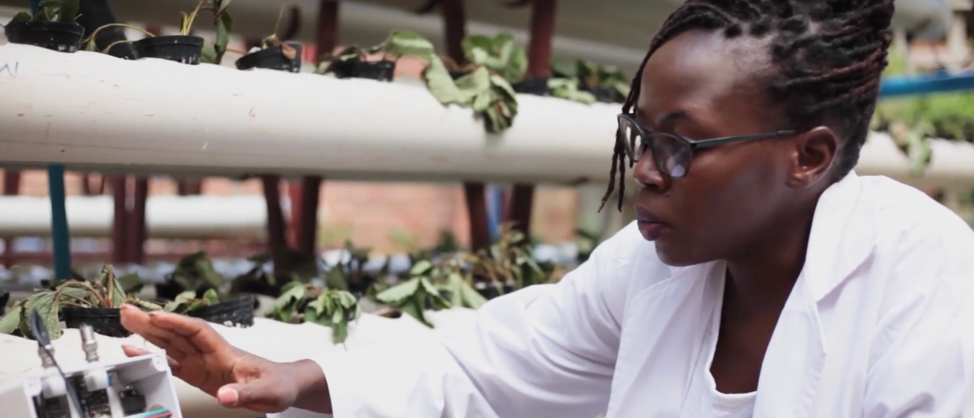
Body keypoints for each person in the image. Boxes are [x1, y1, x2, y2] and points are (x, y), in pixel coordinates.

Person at [119, 0, 974, 416]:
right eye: (639, 134)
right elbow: (485, 365)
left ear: (810, 156)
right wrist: (296, 376)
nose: (645, 169)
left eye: (683, 143)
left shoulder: (922, 284)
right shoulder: (648, 273)